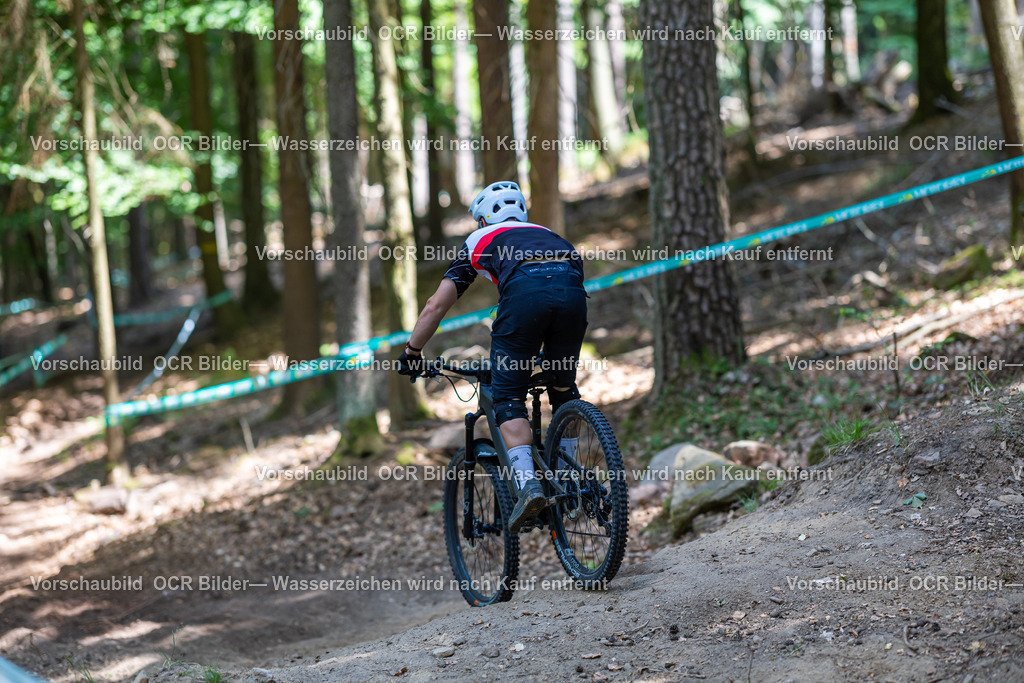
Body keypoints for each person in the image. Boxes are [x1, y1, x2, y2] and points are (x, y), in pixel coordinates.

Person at [396, 181, 588, 532]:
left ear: (483, 220)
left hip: (524, 301)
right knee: (563, 387)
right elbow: (565, 284)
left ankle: (529, 487)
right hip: (572, 296)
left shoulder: (479, 241)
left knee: (507, 396)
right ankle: (571, 477)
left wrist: (412, 352)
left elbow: (435, 305)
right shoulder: (550, 235)